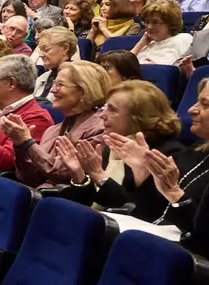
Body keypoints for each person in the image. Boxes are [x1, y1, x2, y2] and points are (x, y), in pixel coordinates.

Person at [83, 80, 209, 245]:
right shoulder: (195, 151)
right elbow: (149, 210)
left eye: (205, 105)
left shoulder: (167, 152)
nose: (191, 109)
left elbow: (201, 235)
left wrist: (173, 192)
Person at [56, 80, 184, 213]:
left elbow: (133, 209)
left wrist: (100, 176)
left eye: (112, 110)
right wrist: (79, 175)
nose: (102, 115)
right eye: (104, 107)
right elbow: (86, 202)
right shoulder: (112, 145)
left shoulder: (166, 153)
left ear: (138, 117)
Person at [11, 60, 110, 187]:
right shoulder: (52, 130)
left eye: (60, 85)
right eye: (54, 83)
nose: (52, 90)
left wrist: (28, 143)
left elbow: (64, 173)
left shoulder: (100, 128)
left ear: (83, 91)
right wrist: (20, 146)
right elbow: (29, 177)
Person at [133, 0, 193, 65]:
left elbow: (182, 69)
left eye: (155, 22)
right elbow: (123, 65)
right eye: (147, 22)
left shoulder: (183, 39)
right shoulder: (146, 44)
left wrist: (157, 68)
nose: (149, 27)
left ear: (170, 23)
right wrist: (140, 44)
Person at [33, 26, 79, 100]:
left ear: (65, 48)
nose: (41, 55)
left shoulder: (78, 77)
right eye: (40, 50)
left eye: (46, 49)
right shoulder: (42, 77)